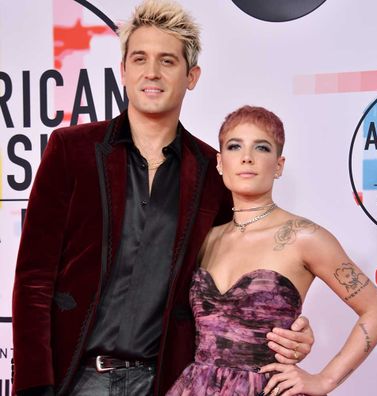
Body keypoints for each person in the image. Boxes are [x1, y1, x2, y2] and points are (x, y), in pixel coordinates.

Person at [11, 2, 315, 396]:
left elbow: (236, 274)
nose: (151, 72)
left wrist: (289, 327)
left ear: (191, 76)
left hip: (170, 381)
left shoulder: (214, 171)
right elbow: (33, 279)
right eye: (140, 58)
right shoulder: (72, 150)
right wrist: (36, 385)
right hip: (77, 377)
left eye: (167, 61)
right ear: (124, 70)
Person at [166, 105, 377, 396]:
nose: (247, 157)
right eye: (235, 146)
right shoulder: (205, 239)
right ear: (221, 163)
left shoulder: (305, 237)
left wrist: (325, 380)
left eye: (261, 147)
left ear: (279, 165)